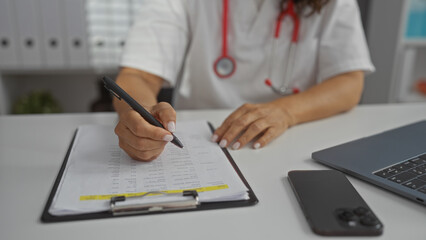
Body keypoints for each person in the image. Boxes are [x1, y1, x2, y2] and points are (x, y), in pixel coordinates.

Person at [113, 0, 374, 161]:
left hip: (293, 144)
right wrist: (142, 114)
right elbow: (138, 74)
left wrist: (285, 111)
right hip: (204, 140)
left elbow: (349, 81)